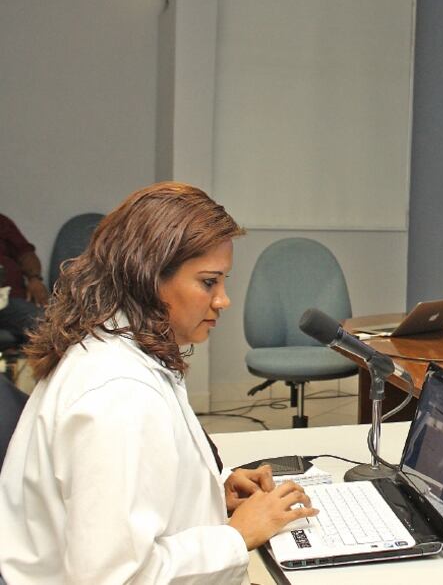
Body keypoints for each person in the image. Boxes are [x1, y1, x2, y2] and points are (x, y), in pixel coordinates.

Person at [0, 182, 318, 584]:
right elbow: (113, 577)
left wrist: (207, 500)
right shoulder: (117, 394)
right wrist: (237, 536)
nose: (223, 300)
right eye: (208, 282)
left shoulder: (117, 348)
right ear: (148, 279)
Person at [0, 213, 48, 345]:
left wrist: (35, 279)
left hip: (9, 300)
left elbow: (26, 253)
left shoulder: (2, 222)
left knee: (48, 325)